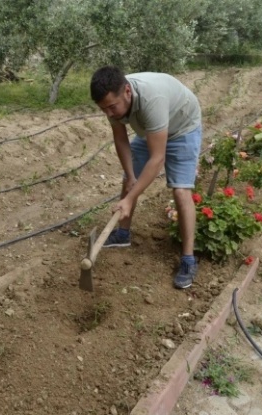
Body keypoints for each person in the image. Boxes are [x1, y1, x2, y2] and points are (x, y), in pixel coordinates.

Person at [90, 66, 203, 289]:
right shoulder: (113, 104)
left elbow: (157, 159)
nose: (109, 114)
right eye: (104, 110)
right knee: (128, 180)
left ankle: (189, 259)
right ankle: (123, 234)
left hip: (182, 128)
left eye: (112, 107)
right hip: (152, 130)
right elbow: (121, 140)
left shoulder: (152, 99)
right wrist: (131, 176)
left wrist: (130, 199)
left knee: (181, 190)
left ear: (127, 92)